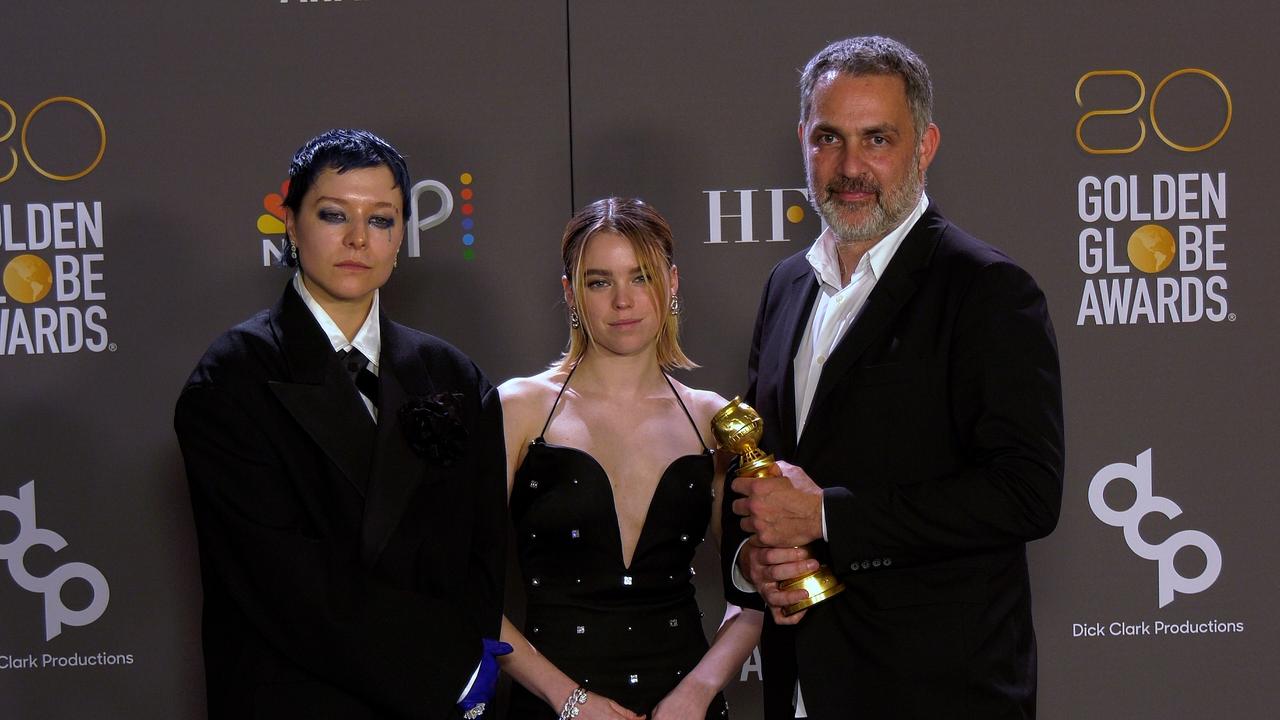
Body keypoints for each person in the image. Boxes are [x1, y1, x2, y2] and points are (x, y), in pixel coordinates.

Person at [722, 37, 1065, 719]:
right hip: (802, 686)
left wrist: (825, 515)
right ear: (803, 139)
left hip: (936, 691)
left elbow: (1026, 493)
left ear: (925, 144)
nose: (851, 167)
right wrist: (752, 566)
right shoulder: (786, 286)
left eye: (877, 139)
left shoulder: (986, 289)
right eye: (830, 138)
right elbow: (768, 471)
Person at [174, 129, 509, 719]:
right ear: (291, 223)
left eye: (381, 220)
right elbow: (283, 588)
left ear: (403, 234)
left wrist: (470, 677)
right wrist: (447, 672)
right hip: (294, 700)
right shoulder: (230, 380)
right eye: (334, 214)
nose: (358, 239)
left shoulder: (453, 375)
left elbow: (482, 559)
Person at [498, 198, 763, 719]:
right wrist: (569, 701)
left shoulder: (713, 421)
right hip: (552, 709)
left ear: (673, 283)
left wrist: (699, 691)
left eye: (641, 277)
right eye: (600, 281)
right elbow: (466, 585)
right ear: (570, 293)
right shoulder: (520, 410)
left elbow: (754, 589)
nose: (624, 300)